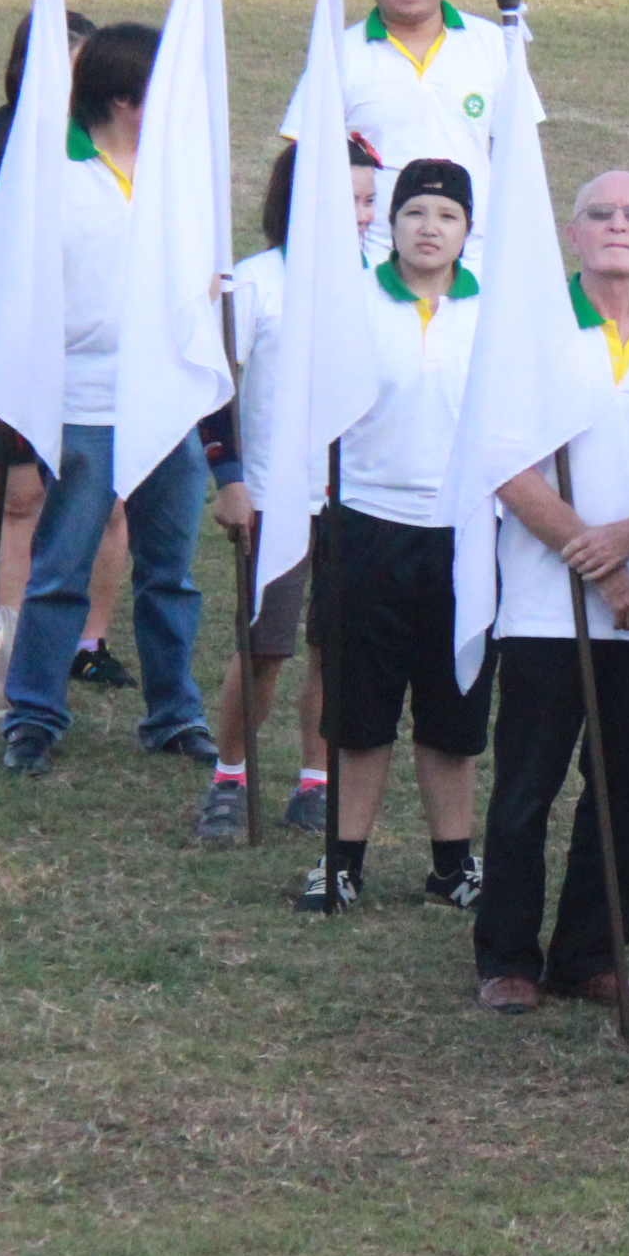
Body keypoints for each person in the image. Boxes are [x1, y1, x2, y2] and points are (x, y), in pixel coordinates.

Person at [473, 171, 629, 1010]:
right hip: (547, 608)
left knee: (623, 793)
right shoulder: (534, 333)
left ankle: (592, 952)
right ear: (572, 236)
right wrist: (602, 567)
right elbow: (507, 467)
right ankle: (506, 956)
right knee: (526, 789)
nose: (617, 225)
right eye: (599, 214)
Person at [0, 23, 234, 780]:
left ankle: (175, 712)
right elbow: (11, 287)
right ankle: (33, 713)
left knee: (170, 573)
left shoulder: (180, 176)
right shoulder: (53, 176)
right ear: (129, 100)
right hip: (86, 402)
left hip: (168, 404)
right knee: (61, 566)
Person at [0, 9, 131, 717]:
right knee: (19, 497)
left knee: (107, 498)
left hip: (99, 351)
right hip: (11, 345)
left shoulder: (116, 147)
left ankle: (87, 642)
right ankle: (1, 655)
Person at [295, 159, 489, 913]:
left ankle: (453, 864)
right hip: (366, 525)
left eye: (446, 215)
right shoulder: (351, 303)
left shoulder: (491, 311)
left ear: (467, 230)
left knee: (453, 710)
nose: (429, 228)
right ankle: (342, 861)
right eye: (414, 213)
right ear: (391, 223)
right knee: (360, 711)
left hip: (463, 534)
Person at [193, 134, 380, 845]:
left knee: (336, 648)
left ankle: (315, 780)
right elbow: (216, 387)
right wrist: (230, 480)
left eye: (369, 201)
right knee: (264, 649)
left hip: (355, 502)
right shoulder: (256, 283)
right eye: (349, 199)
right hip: (274, 499)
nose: (362, 216)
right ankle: (230, 776)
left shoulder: (380, 286)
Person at [277, 0, 510, 257]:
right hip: (372, 257)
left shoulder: (492, 43)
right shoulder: (337, 54)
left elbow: (519, 153)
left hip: (477, 256)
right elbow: (305, 159)